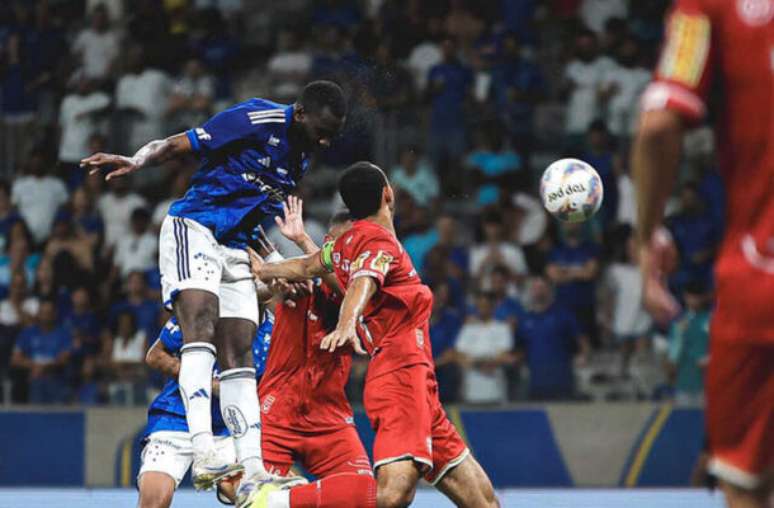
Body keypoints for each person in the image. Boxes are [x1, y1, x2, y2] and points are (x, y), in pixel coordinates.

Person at [80, 80, 347, 499]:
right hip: (195, 227)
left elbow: (254, 213)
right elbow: (178, 144)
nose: (326, 140)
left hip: (235, 245)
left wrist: (275, 263)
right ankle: (204, 450)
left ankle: (254, 467)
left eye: (333, 134)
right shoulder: (255, 117)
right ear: (301, 113)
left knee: (238, 350)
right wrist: (137, 159)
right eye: (322, 129)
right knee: (200, 326)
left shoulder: (302, 156)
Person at [251, 162, 498, 508]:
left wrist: (265, 268)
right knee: (391, 495)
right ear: (388, 194)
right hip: (400, 374)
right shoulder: (379, 241)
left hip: (421, 386)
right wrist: (347, 321)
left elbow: (308, 266)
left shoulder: (344, 245)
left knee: (483, 502)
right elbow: (363, 281)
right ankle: (276, 502)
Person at [632, 1, 773, 506]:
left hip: (760, 275)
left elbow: (657, 127)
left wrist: (646, 235)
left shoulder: (707, 8)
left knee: (746, 484)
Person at [256, 199, 377, 507]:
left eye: (356, 245)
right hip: (277, 411)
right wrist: (272, 285)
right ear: (328, 245)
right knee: (242, 492)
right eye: (342, 244)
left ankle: (280, 501)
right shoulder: (299, 281)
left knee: (365, 492)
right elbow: (265, 288)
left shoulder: (365, 293)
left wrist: (301, 241)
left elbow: (341, 285)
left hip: (328, 416)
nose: (349, 252)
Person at [140, 314, 273, 508]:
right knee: (154, 500)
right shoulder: (204, 306)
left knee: (254, 498)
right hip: (177, 417)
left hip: (230, 427)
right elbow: (155, 356)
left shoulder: (274, 331)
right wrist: (206, 383)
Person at [516, 275, 588, 400]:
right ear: (531, 291)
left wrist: (583, 356)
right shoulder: (524, 319)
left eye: (542, 287)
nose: (538, 291)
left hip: (562, 382)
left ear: (549, 290)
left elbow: (583, 341)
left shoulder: (564, 315)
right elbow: (519, 349)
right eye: (535, 288)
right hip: (535, 384)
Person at [455, 291, 515, 404]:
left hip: (495, 389)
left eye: (486, 306)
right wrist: (484, 362)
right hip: (471, 390)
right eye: (480, 306)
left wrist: (475, 361)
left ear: (493, 307)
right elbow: (459, 356)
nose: (483, 309)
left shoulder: (502, 329)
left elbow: (504, 356)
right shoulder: (468, 329)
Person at [11, 299, 73, 403]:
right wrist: (34, 366)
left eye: (49, 313)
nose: (45, 316)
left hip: (56, 376)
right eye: (43, 313)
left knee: (51, 381)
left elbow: (64, 358)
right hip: (33, 378)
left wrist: (44, 368)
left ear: (54, 314)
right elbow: (15, 359)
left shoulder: (64, 333)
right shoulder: (27, 333)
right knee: (35, 382)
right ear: (38, 314)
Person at [666, 281, 711, 406]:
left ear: (704, 297)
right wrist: (670, 385)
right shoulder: (679, 321)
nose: (693, 300)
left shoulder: (713, 320)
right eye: (690, 296)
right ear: (685, 296)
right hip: (684, 382)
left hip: (708, 384)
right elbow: (673, 353)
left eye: (697, 296)